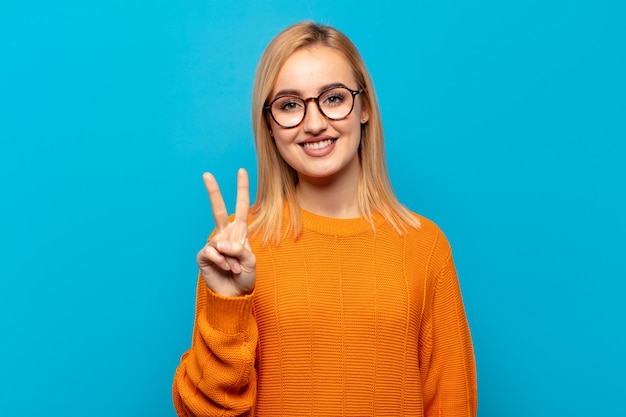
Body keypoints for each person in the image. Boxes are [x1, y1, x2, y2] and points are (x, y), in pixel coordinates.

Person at [172, 21, 477, 416]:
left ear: (364, 107)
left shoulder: (424, 245)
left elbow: (452, 403)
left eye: (333, 98)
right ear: (268, 124)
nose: (314, 123)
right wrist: (227, 305)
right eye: (289, 105)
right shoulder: (237, 246)